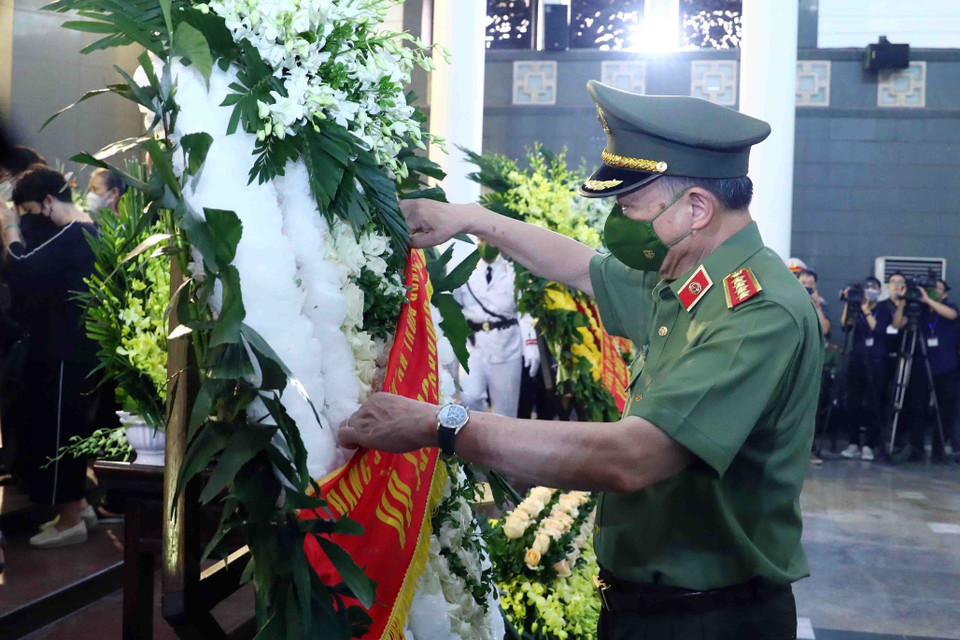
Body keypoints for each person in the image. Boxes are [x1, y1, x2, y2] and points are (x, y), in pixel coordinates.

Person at [339, 83, 823, 639]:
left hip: (709, 621)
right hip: (649, 608)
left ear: (696, 208)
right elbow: (581, 267)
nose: (619, 224)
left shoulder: (755, 312)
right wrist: (472, 219)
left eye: (630, 208)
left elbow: (631, 457)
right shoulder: (688, 276)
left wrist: (440, 425)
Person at [1, 166, 104, 548]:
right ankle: (80, 509)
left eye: (30, 210)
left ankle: (70, 520)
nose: (30, 219)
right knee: (68, 431)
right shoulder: (91, 228)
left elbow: (22, 267)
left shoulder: (73, 232)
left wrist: (10, 227)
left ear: (48, 201)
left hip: (64, 350)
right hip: (79, 349)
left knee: (59, 435)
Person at [453, 239, 539, 418]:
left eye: (490, 240)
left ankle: (501, 437)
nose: (486, 244)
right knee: (469, 400)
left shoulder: (515, 273)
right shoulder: (464, 272)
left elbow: (524, 314)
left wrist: (531, 346)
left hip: (507, 349)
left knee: (505, 411)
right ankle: (476, 435)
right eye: (481, 239)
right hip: (473, 348)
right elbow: (454, 313)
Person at [896, 279, 959, 463]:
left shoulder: (950, 307)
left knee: (945, 410)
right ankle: (916, 448)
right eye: (930, 289)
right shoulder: (919, 311)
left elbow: (952, 315)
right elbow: (897, 324)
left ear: (944, 294)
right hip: (921, 366)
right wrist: (903, 302)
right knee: (917, 408)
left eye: (937, 290)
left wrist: (928, 300)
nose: (932, 292)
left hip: (946, 368)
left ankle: (939, 450)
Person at [838, 277, 892, 461]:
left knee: (873, 403)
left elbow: (879, 330)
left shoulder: (884, 308)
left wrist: (866, 309)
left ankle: (869, 444)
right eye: (867, 288)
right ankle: (853, 443)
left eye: (873, 288)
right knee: (853, 402)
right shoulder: (857, 307)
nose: (870, 291)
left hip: (877, 361)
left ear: (879, 291)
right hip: (857, 359)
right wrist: (849, 303)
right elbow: (845, 326)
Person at [798, 268, 830, 338]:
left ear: (815, 285)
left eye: (810, 284)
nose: (807, 286)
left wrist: (817, 307)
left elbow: (824, 330)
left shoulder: (821, 302)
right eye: (803, 283)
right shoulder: (791, 302)